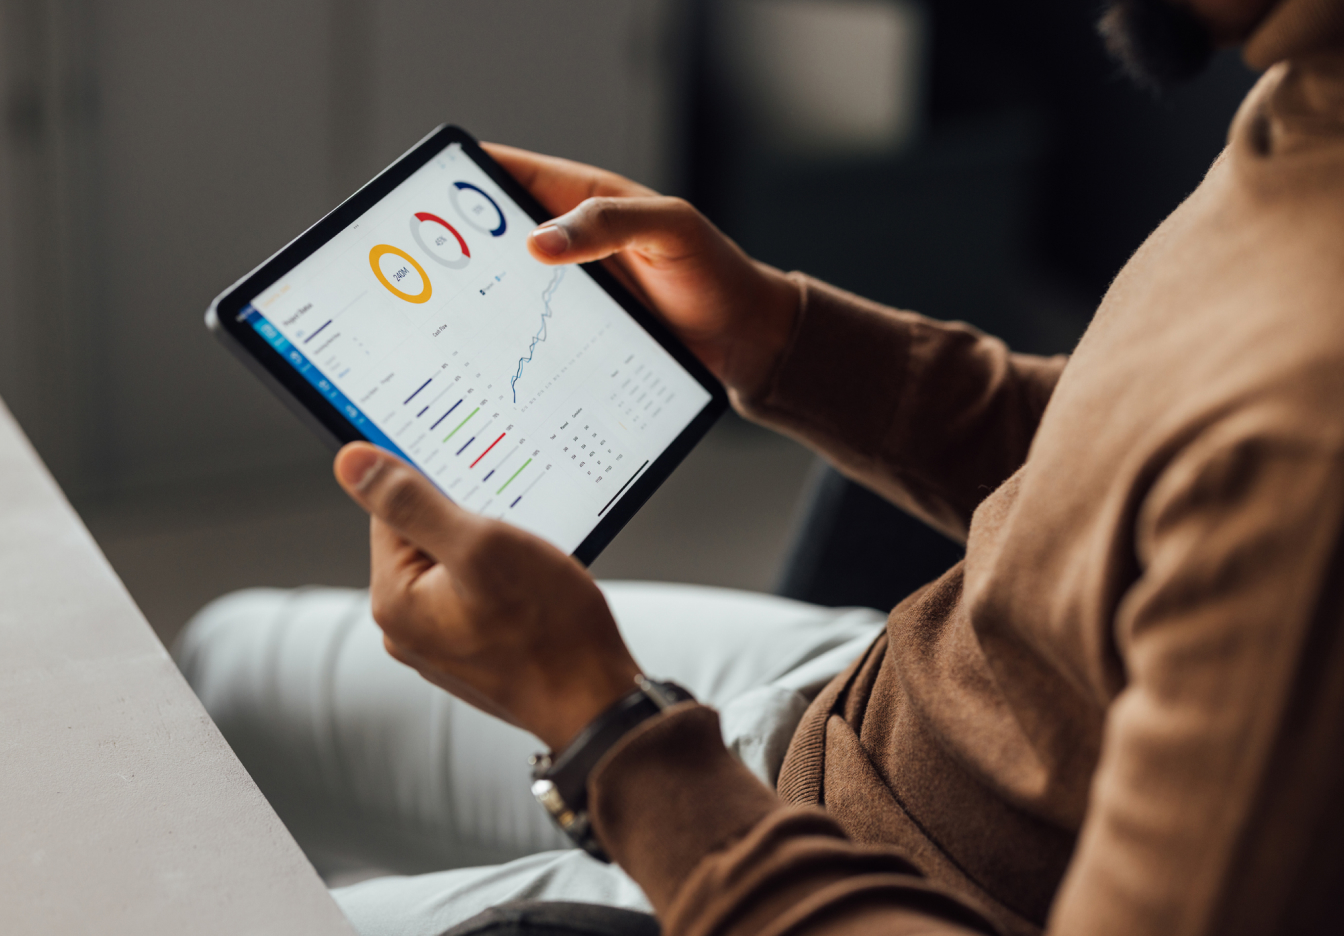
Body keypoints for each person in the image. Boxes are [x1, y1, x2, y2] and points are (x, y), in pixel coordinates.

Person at [176, 0, 1344, 932]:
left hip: (846, 880)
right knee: (218, 667)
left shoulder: (1310, 451)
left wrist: (607, 737)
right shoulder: (1314, 90)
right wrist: (778, 333)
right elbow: (1128, 462)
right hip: (860, 714)